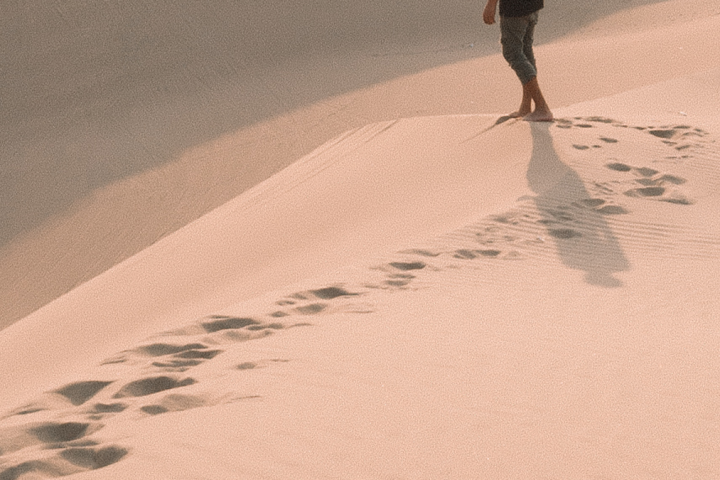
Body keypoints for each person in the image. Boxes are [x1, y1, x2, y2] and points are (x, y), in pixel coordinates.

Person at [483, 0, 553, 122]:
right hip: (532, 5)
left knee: (513, 53)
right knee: (525, 50)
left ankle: (542, 107)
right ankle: (526, 107)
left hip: (515, 7)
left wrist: (491, 3)